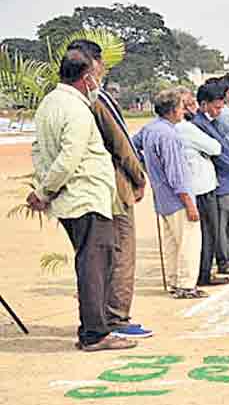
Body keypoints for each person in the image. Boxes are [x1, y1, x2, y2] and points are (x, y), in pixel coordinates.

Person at [28, 50, 131, 350]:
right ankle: (95, 333)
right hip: (84, 197)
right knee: (94, 265)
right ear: (86, 78)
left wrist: (44, 188)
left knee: (92, 262)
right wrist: (44, 191)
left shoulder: (50, 103)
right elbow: (68, 158)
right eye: (97, 75)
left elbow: (39, 151)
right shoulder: (75, 109)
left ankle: (94, 328)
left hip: (73, 199)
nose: (98, 81)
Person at [68, 39, 151, 339]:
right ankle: (115, 316)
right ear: (93, 65)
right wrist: (139, 178)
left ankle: (106, 315)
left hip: (95, 188)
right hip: (113, 185)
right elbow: (121, 143)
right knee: (120, 253)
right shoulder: (97, 99)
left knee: (103, 255)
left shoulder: (72, 100)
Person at [133, 88, 203, 299]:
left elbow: (131, 145)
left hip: (161, 196)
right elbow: (176, 174)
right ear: (173, 110)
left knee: (172, 243)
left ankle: (174, 282)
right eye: (181, 107)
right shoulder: (170, 135)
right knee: (189, 243)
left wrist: (145, 165)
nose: (184, 111)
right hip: (177, 197)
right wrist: (189, 203)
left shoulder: (149, 129)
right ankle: (185, 285)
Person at [193, 80, 229, 279]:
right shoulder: (200, 125)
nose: (220, 110)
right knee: (221, 225)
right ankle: (224, 261)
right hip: (219, 181)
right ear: (204, 104)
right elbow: (218, 153)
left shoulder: (211, 122)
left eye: (221, 106)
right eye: (217, 107)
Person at [176, 89, 228, 285]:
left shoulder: (164, 128)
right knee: (207, 233)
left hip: (191, 186)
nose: (193, 108)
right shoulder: (186, 128)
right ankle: (203, 274)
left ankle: (198, 273)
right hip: (200, 187)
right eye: (189, 104)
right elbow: (215, 148)